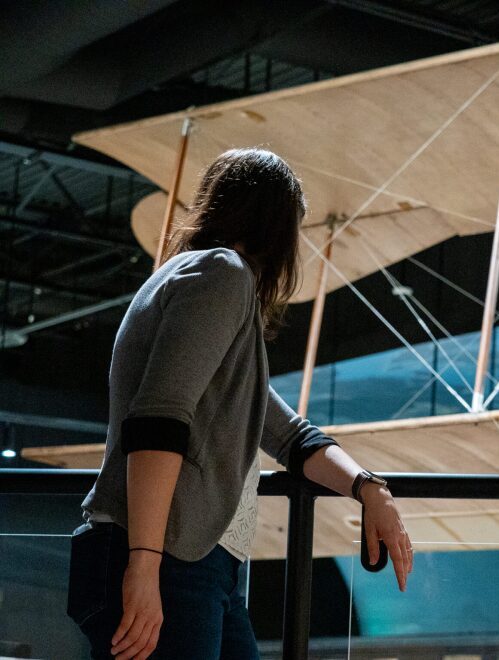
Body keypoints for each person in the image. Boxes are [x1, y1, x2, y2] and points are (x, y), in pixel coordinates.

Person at [66, 148, 413, 659]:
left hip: (198, 567)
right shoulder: (221, 274)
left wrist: (368, 489)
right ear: (279, 228)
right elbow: (158, 420)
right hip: (167, 561)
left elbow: (289, 436)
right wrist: (144, 564)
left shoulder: (202, 281)